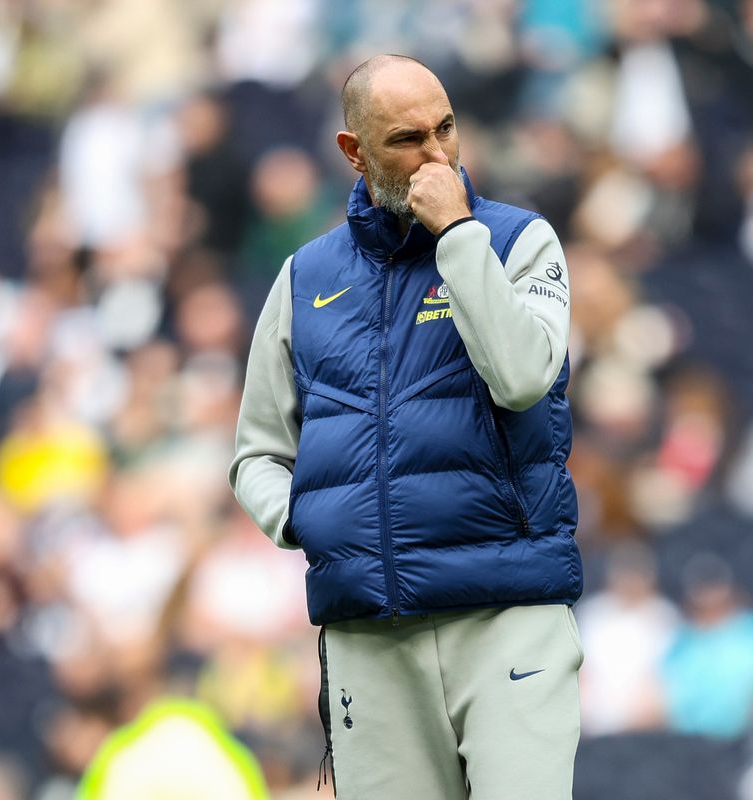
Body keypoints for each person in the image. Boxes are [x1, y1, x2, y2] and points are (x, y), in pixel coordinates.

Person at [229, 54, 583, 799]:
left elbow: (522, 378)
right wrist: (306, 518)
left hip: (505, 618)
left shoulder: (521, 243)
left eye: (445, 129)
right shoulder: (304, 279)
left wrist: (458, 234)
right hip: (368, 638)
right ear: (353, 153)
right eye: (406, 139)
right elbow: (257, 452)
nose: (435, 154)